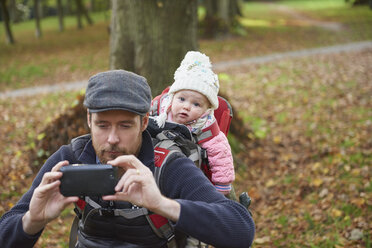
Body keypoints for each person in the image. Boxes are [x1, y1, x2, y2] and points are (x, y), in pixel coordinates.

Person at [0, 69, 255, 248]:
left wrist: (160, 203)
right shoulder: (72, 157)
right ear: (89, 120)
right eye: (101, 126)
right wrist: (32, 220)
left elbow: (241, 229)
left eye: (124, 126)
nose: (112, 139)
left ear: (144, 121)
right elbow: (6, 231)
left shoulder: (167, 164)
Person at [152, 51, 235, 196]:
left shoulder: (205, 126)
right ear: (172, 96)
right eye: (181, 99)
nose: (186, 107)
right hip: (155, 167)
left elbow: (221, 154)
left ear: (207, 109)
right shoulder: (159, 108)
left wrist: (222, 185)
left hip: (189, 175)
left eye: (196, 104)